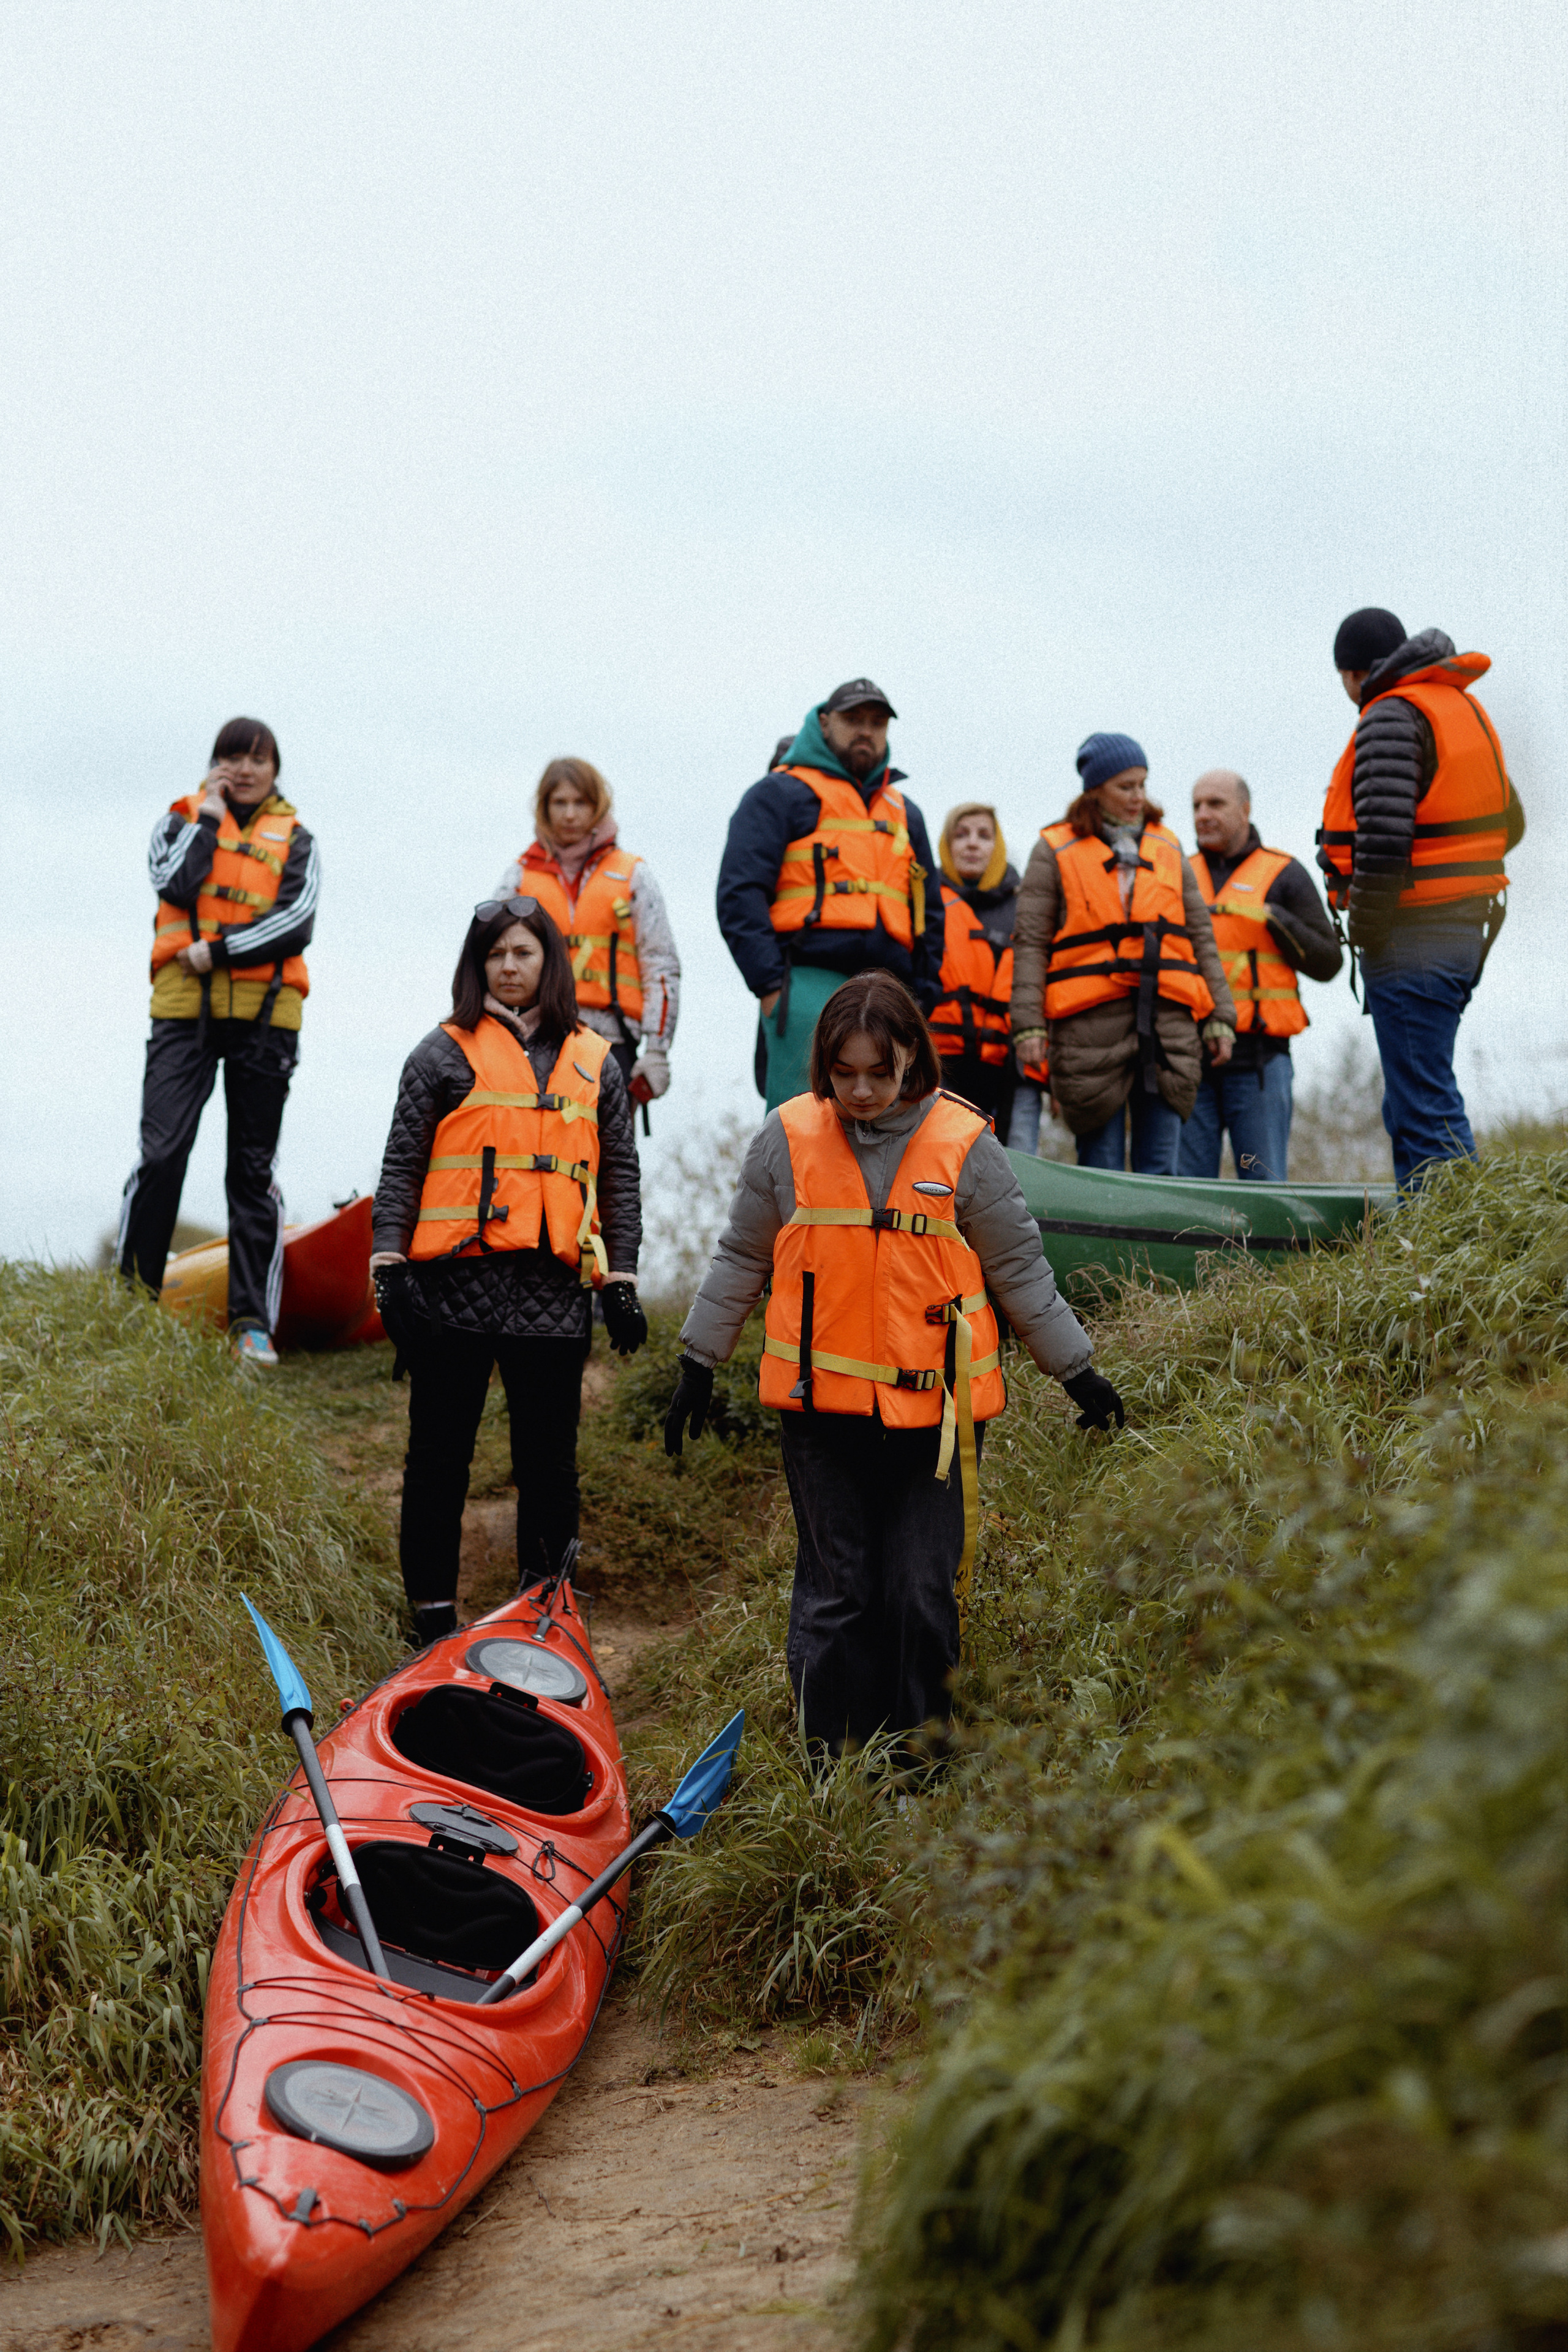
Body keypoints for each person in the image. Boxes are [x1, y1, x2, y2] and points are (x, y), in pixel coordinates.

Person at [662, 970, 1123, 1763]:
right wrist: (698, 1363)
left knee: (918, 1592)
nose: (864, 1090)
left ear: (913, 1056)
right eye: (845, 1074)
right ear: (824, 1066)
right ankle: (834, 1778)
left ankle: (921, 1774)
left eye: (881, 1071)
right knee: (836, 1596)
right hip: (818, 1416)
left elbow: (1019, 1272)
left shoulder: (967, 1145)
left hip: (937, 1422)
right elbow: (742, 1256)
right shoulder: (785, 1138)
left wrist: (1079, 1373)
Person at [369, 897, 646, 1647]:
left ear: (550, 963)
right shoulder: (439, 1053)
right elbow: (402, 1165)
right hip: (451, 1291)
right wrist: (387, 1267)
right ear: (478, 966)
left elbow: (618, 1174)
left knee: (549, 1468)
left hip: (554, 1294)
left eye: (524, 953)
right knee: (437, 1462)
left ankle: (544, 1618)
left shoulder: (597, 1062)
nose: (510, 966)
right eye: (496, 955)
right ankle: (430, 1619)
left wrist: (621, 1279)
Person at [116, 717, 321, 1366]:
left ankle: (251, 1324)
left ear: (275, 770)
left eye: (257, 759)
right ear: (212, 766)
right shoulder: (176, 823)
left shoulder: (300, 840)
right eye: (231, 758)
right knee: (162, 1152)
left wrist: (220, 951)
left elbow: (296, 921)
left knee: (251, 1170)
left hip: (265, 1015)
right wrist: (207, 818)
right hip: (183, 1014)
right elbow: (173, 883)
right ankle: (129, 1302)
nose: (243, 769)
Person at [1318, 609, 1525, 1189]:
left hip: (1413, 936)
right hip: (1463, 931)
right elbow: (1513, 823)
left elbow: (1383, 841)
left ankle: (1467, 1246)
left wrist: (1366, 929)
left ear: (1355, 672)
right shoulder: (1457, 709)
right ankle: (1427, 1244)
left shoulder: (1388, 715)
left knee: (1425, 1107)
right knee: (1413, 1095)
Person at [1011, 734, 1235, 1174]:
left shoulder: (1168, 848)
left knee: (1163, 1168)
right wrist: (1028, 1026)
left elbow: (1200, 937)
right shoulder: (1052, 849)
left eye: (1142, 785)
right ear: (1095, 789)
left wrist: (1221, 1014)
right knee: (1100, 1165)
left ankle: (1157, 1244)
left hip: (1166, 1025)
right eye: (1126, 786)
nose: (1138, 797)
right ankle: (1108, 1245)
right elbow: (1031, 943)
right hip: (1089, 1027)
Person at [716, 680, 943, 1112]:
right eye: (853, 719)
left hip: (894, 987)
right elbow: (739, 892)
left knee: (894, 1124)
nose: (866, 731)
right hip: (805, 980)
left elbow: (930, 910)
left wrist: (924, 995)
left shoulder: (905, 812)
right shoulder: (777, 794)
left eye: (877, 723)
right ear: (824, 722)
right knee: (802, 1121)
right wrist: (769, 985)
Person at [1177, 770, 1342, 1182]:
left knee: (1265, 1186)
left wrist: (1276, 918)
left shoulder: (1283, 873)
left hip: (1260, 1062)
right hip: (1189, 1061)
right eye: (1197, 805)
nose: (1203, 815)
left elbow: (1328, 963)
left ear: (1245, 809)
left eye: (1215, 804)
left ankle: (1267, 1250)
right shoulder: (1176, 874)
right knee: (1188, 1194)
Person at [494, 757, 680, 1112]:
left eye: (581, 803)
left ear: (598, 807)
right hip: (531, 1040)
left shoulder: (634, 876)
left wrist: (657, 1052)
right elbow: (485, 959)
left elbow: (661, 967)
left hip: (613, 1046)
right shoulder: (518, 879)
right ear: (544, 808)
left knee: (611, 1165)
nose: (569, 815)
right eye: (559, 803)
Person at [929, 804, 1046, 1142]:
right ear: (947, 845)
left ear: (998, 845)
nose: (972, 844)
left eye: (984, 835)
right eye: (961, 835)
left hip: (1013, 1068)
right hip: (941, 1064)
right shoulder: (927, 904)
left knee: (1018, 1173)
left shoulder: (1025, 906)